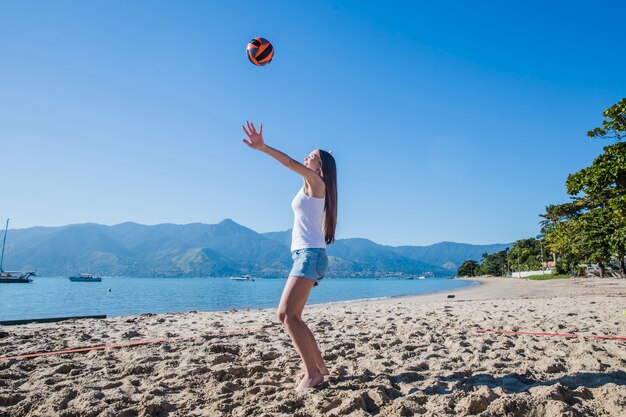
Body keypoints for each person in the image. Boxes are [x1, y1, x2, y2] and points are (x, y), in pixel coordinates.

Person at [242, 121, 338, 392]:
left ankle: (312, 374)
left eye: (313, 156)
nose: (307, 156)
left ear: (321, 168)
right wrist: (321, 156)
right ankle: (320, 368)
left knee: (285, 315)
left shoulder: (316, 182)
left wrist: (262, 147)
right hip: (306, 255)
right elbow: (297, 165)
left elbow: (289, 162)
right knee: (294, 316)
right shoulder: (310, 184)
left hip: (309, 255)